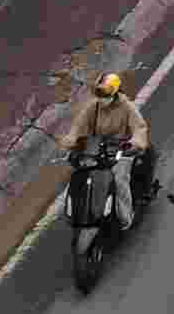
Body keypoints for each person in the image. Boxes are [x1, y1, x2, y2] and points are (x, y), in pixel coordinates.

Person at [63, 72, 155, 218]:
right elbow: (79, 125)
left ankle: (125, 216)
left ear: (115, 91)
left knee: (119, 180)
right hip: (97, 150)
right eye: (98, 92)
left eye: (104, 93)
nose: (101, 97)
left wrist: (134, 143)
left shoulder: (127, 107)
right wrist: (71, 138)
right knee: (80, 174)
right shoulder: (93, 106)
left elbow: (139, 128)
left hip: (121, 151)